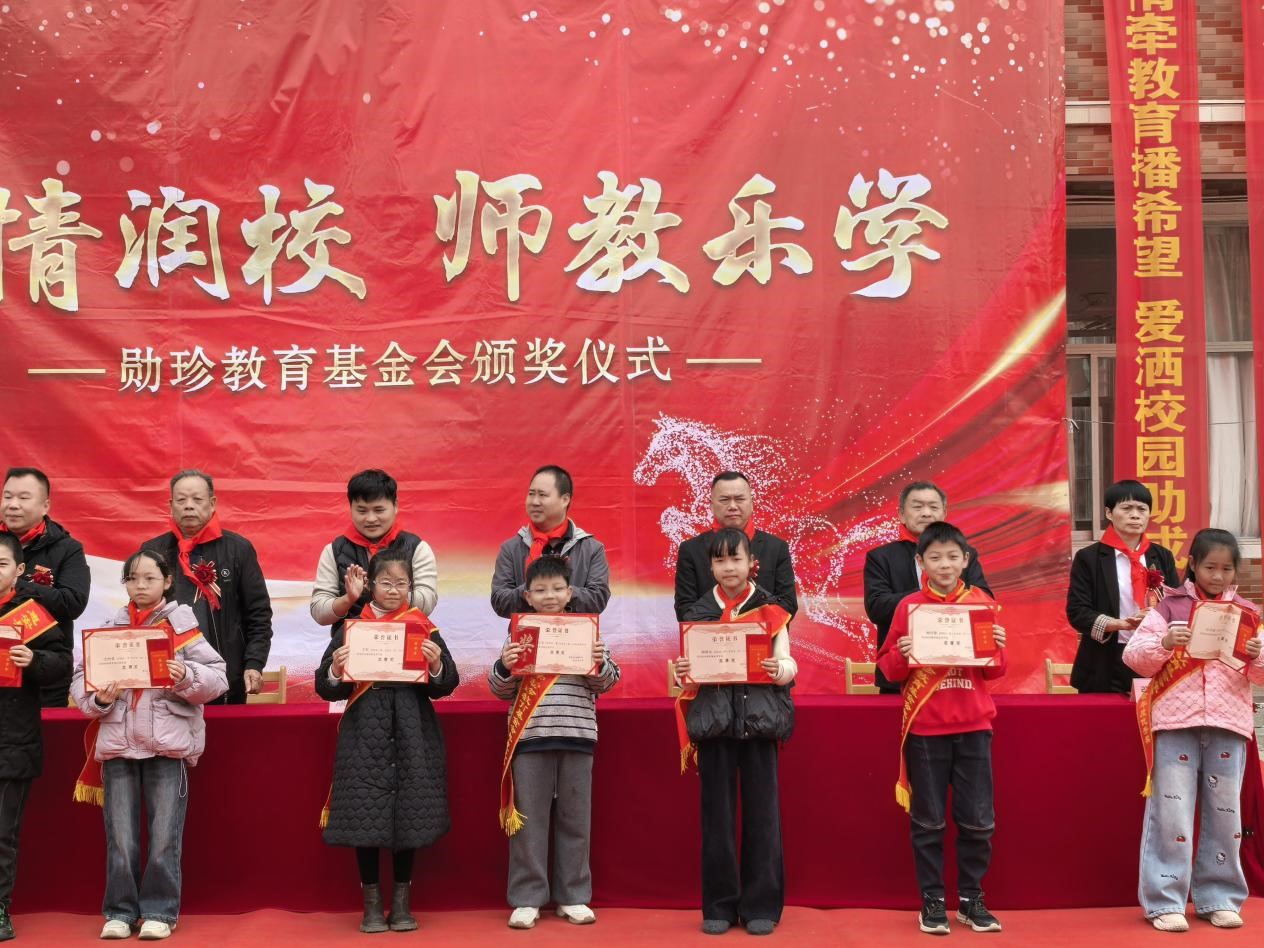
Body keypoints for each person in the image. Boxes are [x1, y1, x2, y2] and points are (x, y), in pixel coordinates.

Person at [70, 548, 228, 940]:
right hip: (119, 744)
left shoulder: (182, 626)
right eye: (132, 578)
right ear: (124, 583)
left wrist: (184, 675)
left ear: (167, 581)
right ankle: (120, 912)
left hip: (167, 746)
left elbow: (218, 678)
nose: (140, 585)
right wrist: (99, 698)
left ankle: (160, 911)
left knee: (164, 836)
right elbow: (80, 679)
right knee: (120, 838)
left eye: (149, 578)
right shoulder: (109, 627)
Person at [1123, 528, 1264, 932]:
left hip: (1228, 722)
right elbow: (1134, 657)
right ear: (1193, 565)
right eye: (1210, 567)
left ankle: (1219, 898)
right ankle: (1164, 901)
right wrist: (1166, 642)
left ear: (1236, 571)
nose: (1218, 576)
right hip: (1176, 721)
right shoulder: (1169, 607)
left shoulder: (1248, 614)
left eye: (1226, 569)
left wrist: (1257, 655)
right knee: (1172, 814)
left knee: (1226, 817)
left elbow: (1260, 675)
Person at [316, 549, 459, 934]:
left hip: (413, 731)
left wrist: (436, 664)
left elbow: (446, 684)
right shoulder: (352, 627)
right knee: (365, 816)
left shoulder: (423, 626)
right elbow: (325, 687)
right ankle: (372, 906)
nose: (393, 590)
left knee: (408, 815)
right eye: (385, 583)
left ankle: (401, 904)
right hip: (364, 733)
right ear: (370, 586)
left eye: (401, 584)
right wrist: (335, 668)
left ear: (411, 587)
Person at [876, 521, 1007, 936]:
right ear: (921, 562)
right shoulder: (909, 607)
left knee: (978, 821)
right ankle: (932, 900)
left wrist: (996, 647)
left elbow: (996, 670)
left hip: (974, 725)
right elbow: (888, 669)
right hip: (926, 728)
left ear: (966, 560)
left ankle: (971, 899)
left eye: (953, 556)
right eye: (935, 557)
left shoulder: (981, 603)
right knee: (928, 822)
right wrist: (903, 653)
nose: (945, 564)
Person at [672, 527, 795, 936]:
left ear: (751, 563)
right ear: (710, 567)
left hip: (760, 723)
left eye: (736, 559)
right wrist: (681, 673)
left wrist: (780, 671)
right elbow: (686, 676)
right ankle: (719, 906)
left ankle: (762, 905)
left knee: (763, 818)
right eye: (720, 560)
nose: (729, 567)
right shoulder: (697, 613)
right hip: (715, 725)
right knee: (717, 820)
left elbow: (788, 663)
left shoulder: (771, 611)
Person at [488, 555, 621, 930]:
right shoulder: (518, 635)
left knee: (575, 821)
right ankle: (527, 899)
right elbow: (499, 689)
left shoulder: (588, 632)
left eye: (557, 588)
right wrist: (505, 666)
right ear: (527, 596)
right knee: (528, 823)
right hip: (531, 736)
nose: (549, 595)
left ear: (570, 593)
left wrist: (598, 663)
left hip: (578, 735)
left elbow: (609, 681)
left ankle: (573, 896)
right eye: (541, 590)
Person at [142, 470, 272, 704]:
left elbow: (258, 614)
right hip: (168, 681)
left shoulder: (238, 549)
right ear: (171, 506)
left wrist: (254, 663)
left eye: (197, 499)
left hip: (224, 678)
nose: (189, 506)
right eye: (181, 500)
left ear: (212, 503)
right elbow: (140, 614)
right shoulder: (152, 552)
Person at [0, 532, 70, 941]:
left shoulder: (31, 614)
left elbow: (62, 663)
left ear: (19, 571)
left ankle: (0, 907)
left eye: (1, 564)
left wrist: (34, 659)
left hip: (12, 738)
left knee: (2, 832)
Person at [864, 481, 991, 693]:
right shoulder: (881, 557)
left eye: (933, 507)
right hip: (901, 678)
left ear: (944, 513)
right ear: (901, 514)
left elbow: (984, 599)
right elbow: (877, 607)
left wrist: (942, 598)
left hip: (957, 673)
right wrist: (927, 596)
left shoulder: (962, 554)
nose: (926, 513)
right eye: (917, 506)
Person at [1066, 479, 1180, 694]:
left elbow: (1177, 606)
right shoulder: (1089, 558)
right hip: (1104, 660)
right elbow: (1077, 612)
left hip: (1153, 656)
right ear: (1109, 513)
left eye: (1142, 509)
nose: (1135, 515)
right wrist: (1121, 624)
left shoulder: (1162, 556)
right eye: (1127, 508)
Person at [310, 469, 439, 640]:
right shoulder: (333, 551)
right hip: (350, 646)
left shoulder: (417, 548)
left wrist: (382, 591)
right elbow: (319, 612)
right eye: (362, 511)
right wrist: (348, 598)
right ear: (350, 508)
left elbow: (427, 602)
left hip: (404, 642)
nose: (370, 519)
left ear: (395, 506)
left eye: (379, 510)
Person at [1, 467, 90, 707]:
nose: (13, 505)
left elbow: (73, 603)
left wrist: (16, 583)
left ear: (45, 506)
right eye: (7, 496)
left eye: (23, 498)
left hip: (43, 677)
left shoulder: (68, 549)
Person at [673, 472, 797, 622]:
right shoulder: (691, 549)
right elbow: (684, 608)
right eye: (724, 500)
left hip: (764, 635)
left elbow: (788, 604)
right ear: (711, 505)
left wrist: (745, 626)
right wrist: (726, 630)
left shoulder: (776, 547)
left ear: (752, 503)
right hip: (709, 636)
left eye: (739, 499)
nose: (732, 506)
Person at [491, 466, 610, 618]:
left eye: (542, 495)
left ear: (564, 500)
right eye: (531, 494)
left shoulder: (591, 548)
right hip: (526, 633)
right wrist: (534, 590)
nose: (535, 501)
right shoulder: (511, 548)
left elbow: (598, 599)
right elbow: (500, 602)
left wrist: (559, 591)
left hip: (574, 632)